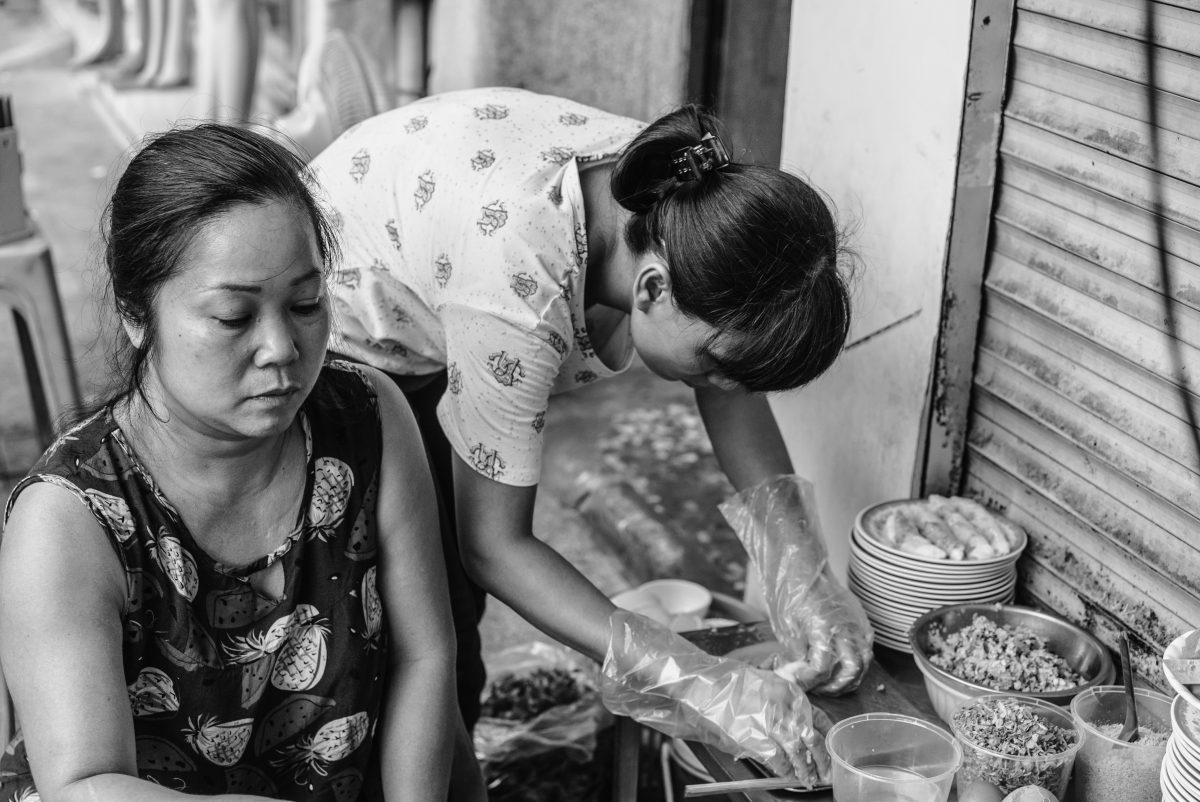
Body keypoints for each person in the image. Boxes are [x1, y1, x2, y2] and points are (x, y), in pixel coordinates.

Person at [307, 86, 868, 778]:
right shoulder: (518, 288)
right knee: (398, 632)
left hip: (431, 282)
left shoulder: (679, 194)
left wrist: (801, 566)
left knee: (446, 613)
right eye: (718, 366)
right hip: (336, 328)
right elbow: (496, 546)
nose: (725, 387)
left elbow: (730, 385)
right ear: (654, 290)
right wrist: (692, 679)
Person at [0, 124, 479, 801]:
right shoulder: (69, 520)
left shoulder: (368, 418)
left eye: (307, 304)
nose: (282, 347)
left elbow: (426, 657)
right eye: (233, 317)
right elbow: (85, 783)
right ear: (138, 313)